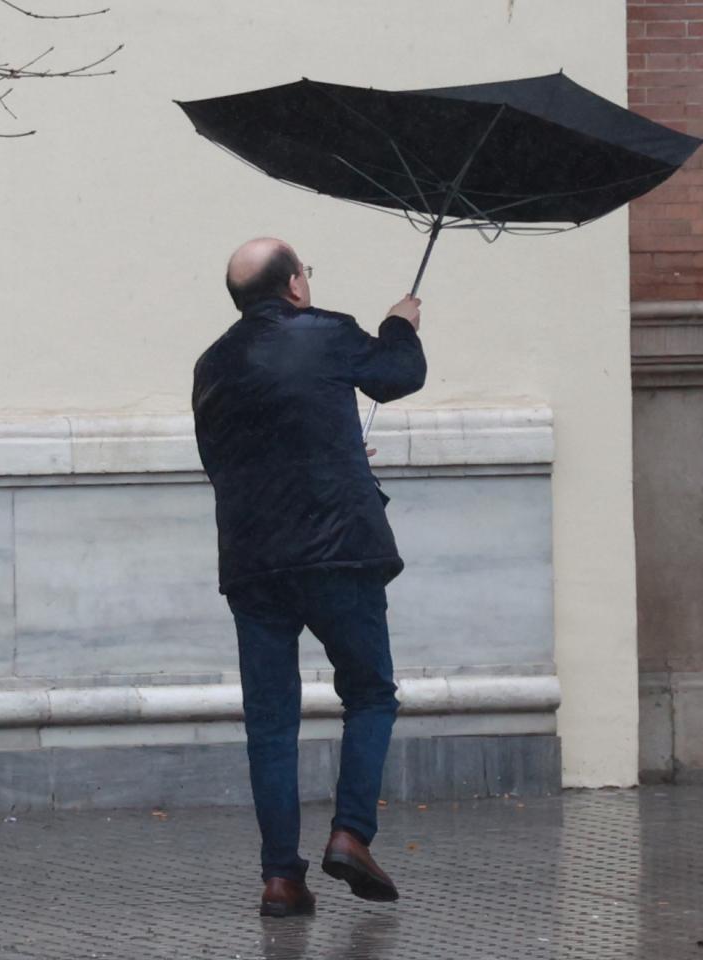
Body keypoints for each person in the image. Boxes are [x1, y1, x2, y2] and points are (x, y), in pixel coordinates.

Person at [191, 237, 427, 918]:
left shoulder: (212, 364)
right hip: (338, 553)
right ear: (295, 285)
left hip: (253, 564)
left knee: (270, 724)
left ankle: (280, 881)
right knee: (371, 694)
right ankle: (351, 834)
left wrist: (336, 446)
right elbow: (396, 376)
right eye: (307, 273)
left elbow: (225, 459)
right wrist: (399, 324)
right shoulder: (328, 333)